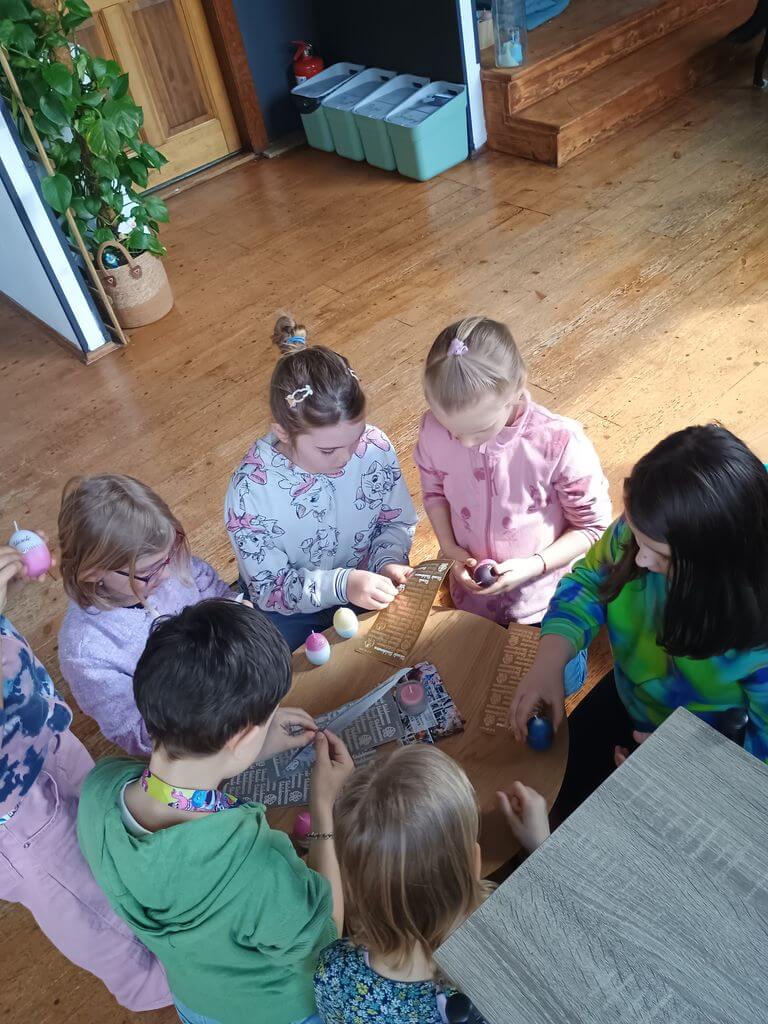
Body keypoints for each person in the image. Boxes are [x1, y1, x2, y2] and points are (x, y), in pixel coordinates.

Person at [77, 598, 353, 1024]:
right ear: (240, 738)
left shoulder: (100, 788)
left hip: (197, 1003)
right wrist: (322, 805)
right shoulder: (255, 868)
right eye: (267, 718)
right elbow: (326, 936)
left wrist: (244, 749)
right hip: (281, 1012)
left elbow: (172, 789)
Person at [510, 425, 768, 806]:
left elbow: (758, 760)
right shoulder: (648, 527)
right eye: (634, 535)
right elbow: (588, 583)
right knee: (558, 793)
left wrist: (688, 772)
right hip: (631, 699)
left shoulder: (757, 642)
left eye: (661, 556)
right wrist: (549, 661)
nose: (641, 558)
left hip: (703, 753)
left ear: (717, 568)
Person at [0, 543, 171, 1011]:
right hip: (18, 818)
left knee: (112, 847)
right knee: (93, 909)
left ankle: (176, 944)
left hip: (46, 741)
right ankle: (174, 989)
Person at [415, 315, 611, 695]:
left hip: (542, 599)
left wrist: (533, 565)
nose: (464, 442)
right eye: (452, 430)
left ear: (517, 389)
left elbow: (592, 527)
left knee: (561, 684)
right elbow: (434, 490)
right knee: (473, 680)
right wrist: (450, 548)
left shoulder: (558, 443)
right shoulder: (434, 429)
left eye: (479, 430)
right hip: (471, 594)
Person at [313, 745, 549, 1024]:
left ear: (351, 886)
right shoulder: (510, 942)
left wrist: (321, 808)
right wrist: (543, 847)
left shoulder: (334, 973)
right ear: (475, 864)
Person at [225, 314, 417, 650]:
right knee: (274, 666)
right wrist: (342, 585)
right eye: (328, 450)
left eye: (355, 438)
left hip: (367, 581)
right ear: (283, 432)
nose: (345, 458)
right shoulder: (250, 492)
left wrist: (387, 561)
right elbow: (270, 587)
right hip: (289, 608)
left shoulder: (374, 447)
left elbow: (395, 521)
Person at [58, 474, 237, 755]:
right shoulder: (87, 653)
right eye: (147, 571)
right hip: (191, 742)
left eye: (169, 556)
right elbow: (136, 733)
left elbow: (216, 594)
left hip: (233, 690)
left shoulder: (169, 567)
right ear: (93, 574)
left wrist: (237, 613)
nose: (166, 574)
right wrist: (202, 703)